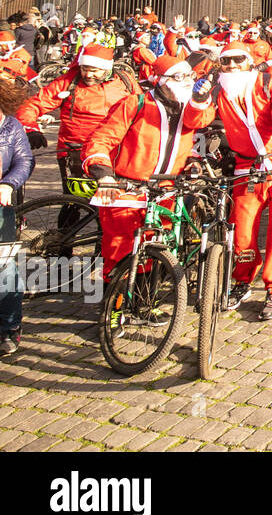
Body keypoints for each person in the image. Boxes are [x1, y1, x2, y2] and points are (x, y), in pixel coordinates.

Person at [81, 54, 215, 278]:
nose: (186, 81)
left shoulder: (187, 108)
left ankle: (145, 298)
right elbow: (101, 139)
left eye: (189, 76)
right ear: (160, 80)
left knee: (157, 245)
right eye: (178, 77)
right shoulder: (135, 103)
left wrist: (199, 100)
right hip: (129, 187)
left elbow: (197, 122)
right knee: (120, 249)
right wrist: (103, 174)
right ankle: (116, 305)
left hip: (167, 189)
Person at [194, 43, 272, 320]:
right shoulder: (218, 90)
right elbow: (201, 120)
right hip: (247, 165)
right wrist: (196, 101)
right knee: (242, 229)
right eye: (226, 62)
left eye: (237, 60)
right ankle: (242, 280)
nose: (231, 66)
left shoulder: (270, 82)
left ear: (249, 61)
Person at [16, 43, 139, 194]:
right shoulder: (69, 81)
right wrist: (30, 128)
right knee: (76, 200)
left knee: (112, 200)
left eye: (94, 71)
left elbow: (141, 108)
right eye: (84, 69)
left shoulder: (125, 81)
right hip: (76, 151)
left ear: (107, 68)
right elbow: (33, 105)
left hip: (116, 151)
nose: (88, 75)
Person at [0, 72, 34, 356]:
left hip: (0, 206)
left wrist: (8, 184)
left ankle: (9, 327)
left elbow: (24, 160)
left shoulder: (11, 128)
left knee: (4, 269)